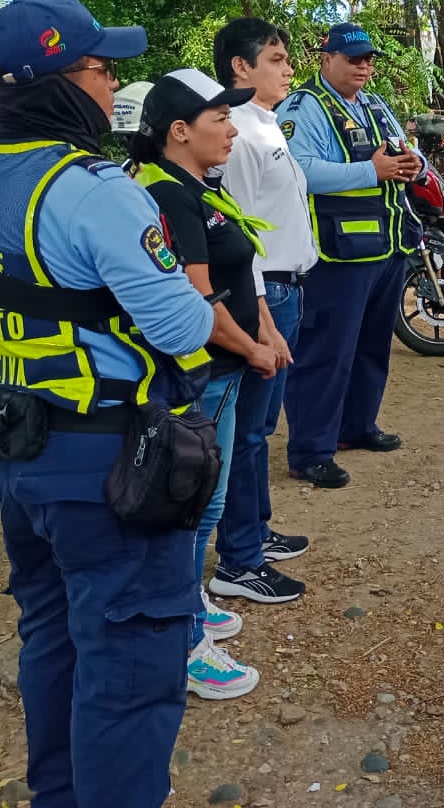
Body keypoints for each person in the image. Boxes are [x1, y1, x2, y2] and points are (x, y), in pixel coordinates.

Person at [0, 0, 217, 807]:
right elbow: (181, 322)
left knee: (53, 635)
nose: (112, 85)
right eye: (102, 69)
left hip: (15, 450)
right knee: (128, 661)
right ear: (60, 82)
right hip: (106, 467)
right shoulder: (95, 189)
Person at [128, 68, 283, 701]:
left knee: (208, 501)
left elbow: (241, 272)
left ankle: (189, 602)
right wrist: (251, 348)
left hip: (232, 364)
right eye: (220, 118)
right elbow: (197, 296)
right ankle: (186, 638)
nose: (231, 128)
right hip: (207, 371)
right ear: (179, 131)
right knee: (197, 505)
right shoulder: (168, 194)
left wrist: (267, 329)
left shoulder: (200, 185)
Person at [276, 21, 418, 489]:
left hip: (386, 246)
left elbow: (400, 150)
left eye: (368, 58)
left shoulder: (374, 105)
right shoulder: (304, 106)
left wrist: (412, 163)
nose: (364, 66)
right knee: (326, 353)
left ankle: (357, 427)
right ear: (326, 59)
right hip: (336, 254)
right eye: (353, 58)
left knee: (371, 347)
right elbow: (302, 171)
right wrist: (370, 171)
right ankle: (310, 451)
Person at [207, 18, 314, 607]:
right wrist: (261, 316)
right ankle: (239, 559)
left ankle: (255, 530)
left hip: (285, 289)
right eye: (275, 59)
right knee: (247, 432)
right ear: (240, 68)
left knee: (259, 429)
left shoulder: (267, 127)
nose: (288, 68)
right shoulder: (238, 135)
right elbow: (238, 234)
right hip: (262, 293)